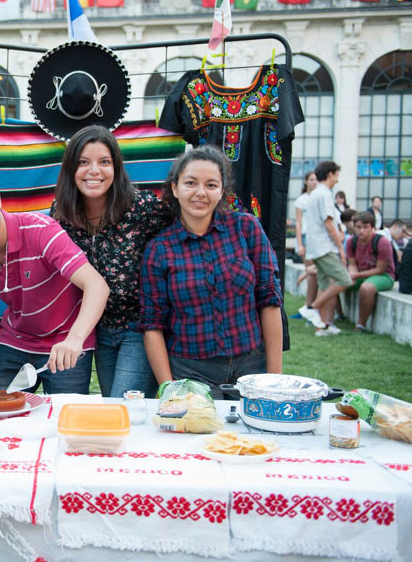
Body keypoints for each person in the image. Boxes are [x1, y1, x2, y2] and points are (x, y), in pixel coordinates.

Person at [0, 165, 110, 394]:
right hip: (17, 339)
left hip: (64, 338)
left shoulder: (41, 230)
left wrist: (75, 339)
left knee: (63, 419)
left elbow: (97, 286)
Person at [139, 145, 283, 399]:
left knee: (255, 436)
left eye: (211, 185)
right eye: (191, 183)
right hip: (190, 371)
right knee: (199, 437)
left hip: (251, 367)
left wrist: (273, 381)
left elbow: (269, 302)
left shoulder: (247, 229)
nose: (200, 193)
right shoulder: (158, 249)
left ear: (222, 191)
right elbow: (153, 324)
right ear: (175, 188)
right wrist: (169, 388)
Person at [51, 125, 171, 398]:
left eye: (104, 162)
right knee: (110, 403)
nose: (94, 171)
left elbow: (179, 238)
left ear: (116, 167)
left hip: (139, 328)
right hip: (97, 329)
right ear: (71, 169)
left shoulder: (142, 207)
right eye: (83, 162)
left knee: (122, 406)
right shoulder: (61, 212)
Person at [299, 161, 352, 336]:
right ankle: (311, 308)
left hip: (316, 247)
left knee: (324, 285)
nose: (337, 178)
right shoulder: (324, 194)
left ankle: (322, 326)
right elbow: (329, 224)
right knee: (345, 280)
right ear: (330, 174)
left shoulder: (316, 194)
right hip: (324, 247)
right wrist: (341, 248)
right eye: (337, 174)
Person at [346, 211, 396, 332]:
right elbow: (352, 264)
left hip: (384, 276)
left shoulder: (382, 242)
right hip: (361, 273)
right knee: (335, 281)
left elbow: (380, 270)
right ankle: (332, 319)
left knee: (366, 288)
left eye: (365, 227)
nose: (361, 231)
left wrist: (355, 274)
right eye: (358, 227)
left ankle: (360, 325)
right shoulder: (351, 241)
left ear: (372, 227)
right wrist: (351, 274)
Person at [292, 170, 318, 315]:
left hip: (318, 238)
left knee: (316, 273)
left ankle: (312, 306)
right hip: (307, 237)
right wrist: (300, 244)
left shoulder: (320, 197)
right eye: (312, 179)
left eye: (316, 180)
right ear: (306, 181)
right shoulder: (301, 200)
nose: (314, 182)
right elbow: (298, 222)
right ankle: (308, 306)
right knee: (311, 273)